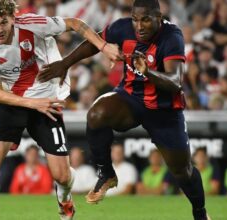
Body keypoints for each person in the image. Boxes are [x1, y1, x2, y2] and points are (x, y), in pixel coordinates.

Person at [39, 0, 210, 219]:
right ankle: (107, 173)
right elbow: (95, 42)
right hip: (131, 98)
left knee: (182, 171)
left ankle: (200, 213)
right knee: (96, 114)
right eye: (135, 19)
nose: (139, 26)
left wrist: (148, 72)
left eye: (146, 19)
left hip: (164, 110)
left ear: (159, 17)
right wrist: (65, 63)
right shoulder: (122, 27)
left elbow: (175, 82)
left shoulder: (172, 36)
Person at [0, 1, 121, 220]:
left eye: (4, 22)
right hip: (12, 103)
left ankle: (65, 200)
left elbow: (74, 23)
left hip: (46, 101)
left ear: (13, 18)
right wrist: (33, 104)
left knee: (62, 176)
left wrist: (104, 46)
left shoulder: (32, 24)